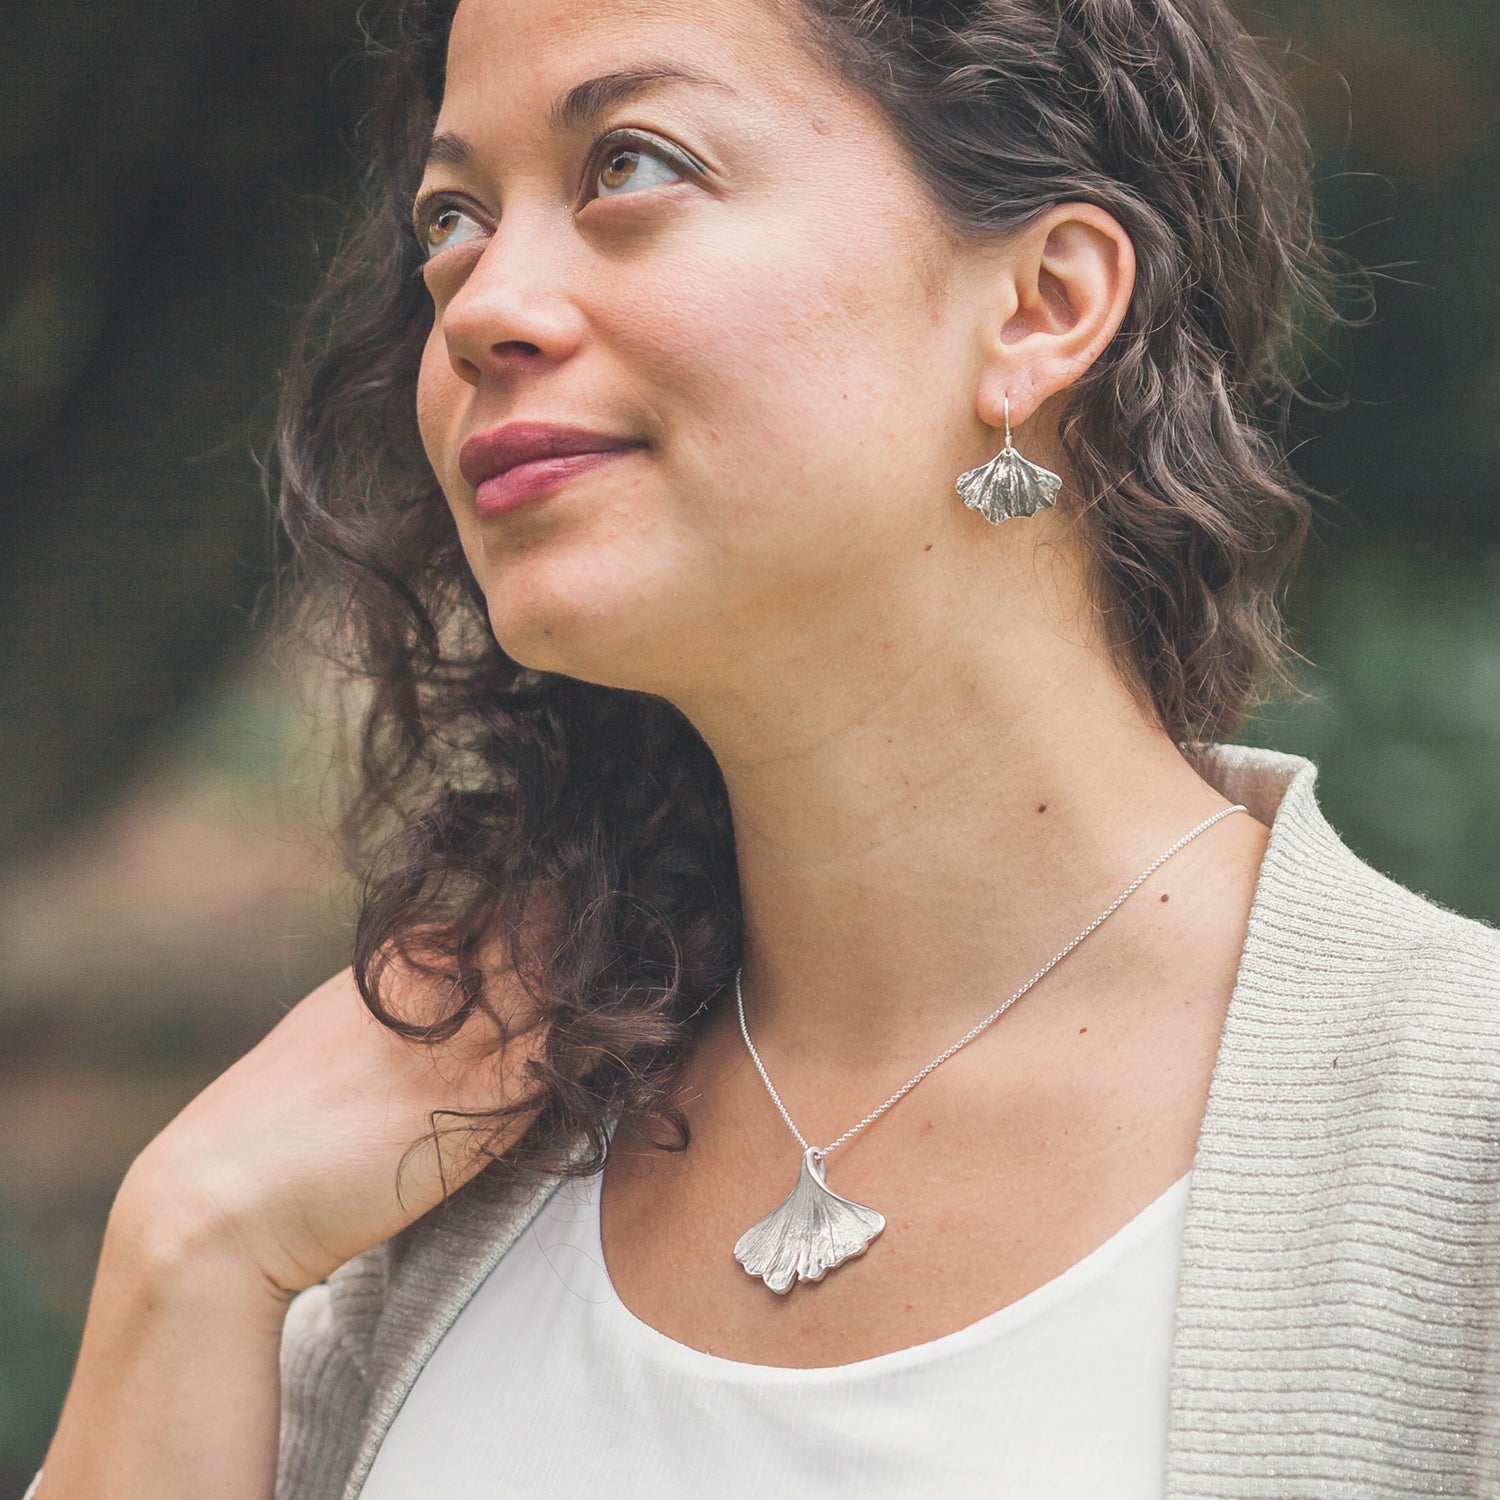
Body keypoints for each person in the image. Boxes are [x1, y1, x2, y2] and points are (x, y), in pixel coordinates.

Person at [28, 0, 1500, 1496]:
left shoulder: (1459, 1142)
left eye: (634, 163)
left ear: (1044, 303)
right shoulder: (407, 1163)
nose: (477, 307)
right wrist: (195, 1245)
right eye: (453, 216)